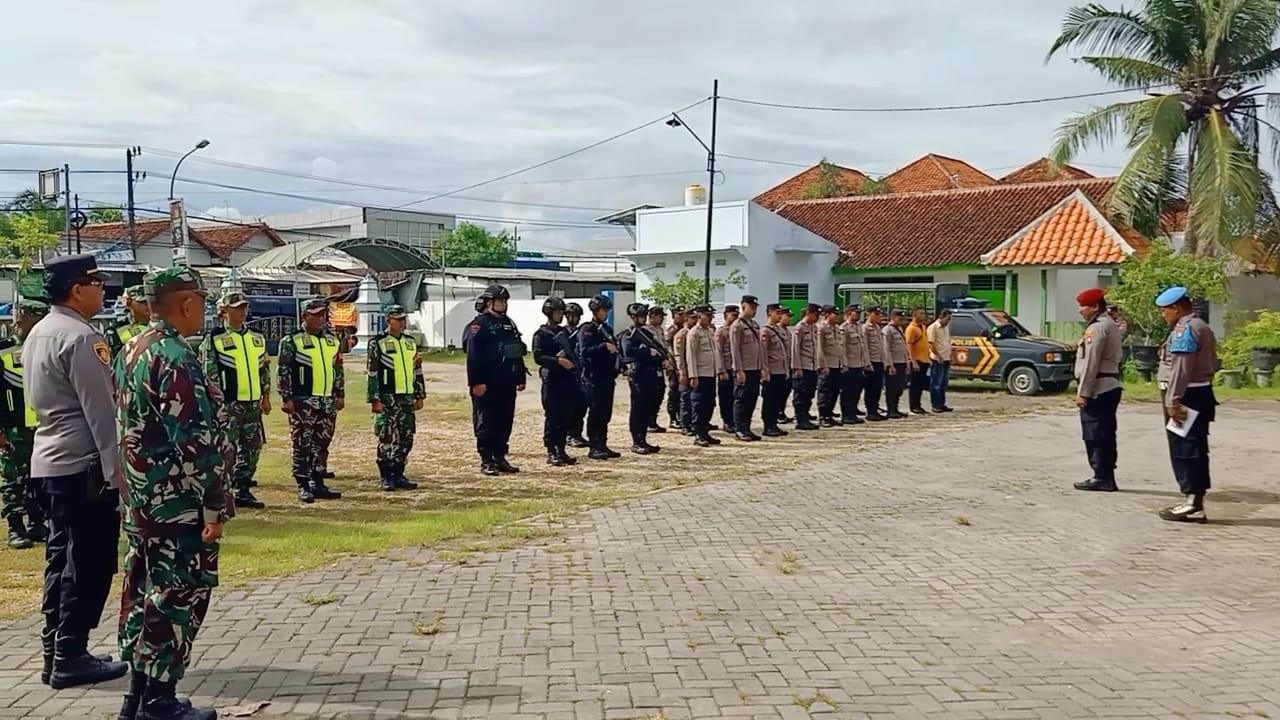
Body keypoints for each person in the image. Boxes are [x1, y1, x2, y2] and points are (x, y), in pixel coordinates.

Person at [115, 265, 230, 720]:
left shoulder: (132, 347)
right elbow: (195, 441)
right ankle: (159, 703)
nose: (205, 310)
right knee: (177, 594)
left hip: (142, 500)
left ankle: (138, 697)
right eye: (203, 301)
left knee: (145, 594)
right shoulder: (174, 356)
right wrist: (214, 504)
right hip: (177, 504)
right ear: (186, 303)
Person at [23, 254, 127, 689]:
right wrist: (116, 472)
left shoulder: (39, 332)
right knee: (89, 563)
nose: (103, 289)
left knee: (61, 560)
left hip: (49, 458)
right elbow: (101, 412)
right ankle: (70, 654)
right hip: (83, 465)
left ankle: (58, 650)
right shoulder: (82, 337)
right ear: (76, 289)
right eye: (98, 282)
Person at [199, 292, 270, 509]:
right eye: (237, 308)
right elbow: (209, 374)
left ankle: (243, 488)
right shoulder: (215, 338)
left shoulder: (256, 338)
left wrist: (265, 396)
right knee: (226, 449)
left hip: (252, 403)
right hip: (229, 404)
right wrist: (216, 404)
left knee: (253, 447)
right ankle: (222, 492)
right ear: (224, 311)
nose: (242, 312)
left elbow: (263, 369)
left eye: (244, 308)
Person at [1154, 286, 1218, 523]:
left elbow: (1181, 370)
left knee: (1186, 449)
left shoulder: (1185, 329)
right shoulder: (1200, 326)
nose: (1163, 315)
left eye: (1164, 311)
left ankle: (1192, 502)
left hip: (1187, 396)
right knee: (1192, 447)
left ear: (1176, 308)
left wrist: (1172, 400)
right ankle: (1193, 500)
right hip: (1197, 394)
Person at [277, 299, 344, 503]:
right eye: (315, 314)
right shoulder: (292, 341)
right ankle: (303, 483)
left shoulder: (332, 340)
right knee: (302, 443)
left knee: (322, 443)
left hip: (326, 401)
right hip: (303, 402)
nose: (320, 318)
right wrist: (286, 397)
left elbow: (337, 369)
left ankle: (318, 480)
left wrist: (340, 393)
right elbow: (284, 371)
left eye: (322, 314)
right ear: (304, 316)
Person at [464, 284, 529, 475]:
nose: (504, 304)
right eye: (500, 301)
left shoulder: (509, 323)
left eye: (505, 301)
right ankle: (487, 459)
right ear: (489, 302)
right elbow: (473, 357)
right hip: (487, 383)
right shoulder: (479, 325)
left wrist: (520, 376)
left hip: (506, 381)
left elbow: (516, 351)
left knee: (504, 420)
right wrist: (476, 382)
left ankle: (500, 456)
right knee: (487, 421)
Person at [1, 299, 50, 549]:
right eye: (18, 317)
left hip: (45, 427)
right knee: (13, 479)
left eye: (25, 317)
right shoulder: (4, 351)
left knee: (40, 478)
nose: (18, 322)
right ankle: (15, 527)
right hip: (14, 429)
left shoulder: (49, 349)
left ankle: (37, 522)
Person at [367, 304, 425, 491]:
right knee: (387, 437)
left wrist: (419, 394)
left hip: (406, 397)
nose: (401, 322)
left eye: (403, 319)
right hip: (387, 397)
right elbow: (373, 373)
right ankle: (386, 476)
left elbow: (417, 370)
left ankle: (398, 473)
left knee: (406, 437)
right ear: (388, 320)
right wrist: (374, 399)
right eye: (397, 319)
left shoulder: (410, 342)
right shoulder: (378, 343)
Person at [1072, 288, 1124, 493]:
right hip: (1106, 386)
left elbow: (1091, 363)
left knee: (1096, 434)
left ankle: (1102, 476)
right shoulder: (1106, 324)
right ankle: (1104, 475)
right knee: (1104, 433)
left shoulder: (1098, 328)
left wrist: (1083, 392)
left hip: (1099, 388)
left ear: (1095, 307)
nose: (1080, 310)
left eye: (1083, 306)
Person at [531, 297, 579, 466]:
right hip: (552, 378)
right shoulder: (541, 334)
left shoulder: (564, 332)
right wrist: (557, 360)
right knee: (553, 416)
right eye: (558, 312)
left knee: (565, 416)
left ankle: (561, 449)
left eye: (561, 312)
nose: (560, 315)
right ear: (549, 313)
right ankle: (551, 451)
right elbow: (538, 357)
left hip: (566, 379)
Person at [576, 295, 622, 460]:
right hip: (593, 377)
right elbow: (584, 352)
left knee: (605, 413)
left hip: (607, 377)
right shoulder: (588, 329)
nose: (606, 313)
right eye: (603, 310)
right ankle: (594, 445)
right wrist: (603, 347)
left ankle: (602, 443)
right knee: (596, 413)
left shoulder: (606, 329)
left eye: (607, 310)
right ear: (595, 311)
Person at [620, 302, 664, 455]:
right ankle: (636, 440)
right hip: (638, 374)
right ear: (633, 317)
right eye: (640, 316)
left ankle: (643, 438)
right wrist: (647, 353)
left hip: (650, 374)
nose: (643, 318)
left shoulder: (647, 333)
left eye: (644, 315)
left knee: (647, 408)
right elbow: (628, 352)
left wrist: (659, 357)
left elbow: (658, 350)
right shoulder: (628, 334)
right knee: (638, 408)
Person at [684, 305, 722, 447]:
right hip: (700, 374)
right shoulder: (694, 333)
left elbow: (714, 352)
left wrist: (719, 370)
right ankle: (698, 433)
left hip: (711, 373)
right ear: (699, 316)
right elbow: (691, 355)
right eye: (708, 315)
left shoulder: (710, 331)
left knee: (709, 403)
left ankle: (705, 431)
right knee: (699, 404)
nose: (711, 318)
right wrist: (693, 375)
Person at [729, 295, 765, 441]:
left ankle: (747, 427)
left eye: (756, 307)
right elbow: (735, 349)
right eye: (752, 307)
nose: (755, 310)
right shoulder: (737, 326)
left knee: (751, 399)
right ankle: (740, 429)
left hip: (754, 368)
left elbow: (760, 348)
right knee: (741, 399)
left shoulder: (755, 325)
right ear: (743, 307)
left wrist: (762, 366)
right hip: (744, 369)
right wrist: (738, 369)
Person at [759, 304, 791, 437]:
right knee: (770, 400)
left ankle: (774, 424)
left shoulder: (780, 330)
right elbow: (763, 353)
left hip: (781, 371)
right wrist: (765, 371)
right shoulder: (765, 331)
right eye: (777, 313)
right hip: (771, 372)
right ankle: (768, 426)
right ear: (770, 313)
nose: (779, 315)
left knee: (778, 399)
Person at [790, 303, 822, 431]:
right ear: (808, 313)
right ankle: (800, 419)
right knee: (801, 394)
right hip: (802, 366)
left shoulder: (813, 327)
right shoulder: (800, 328)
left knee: (809, 393)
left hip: (812, 366)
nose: (817, 317)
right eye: (815, 315)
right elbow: (795, 349)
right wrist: (796, 367)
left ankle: (806, 416)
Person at [563, 302, 590, 448]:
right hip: (568, 372)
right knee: (570, 406)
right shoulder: (563, 333)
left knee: (581, 405)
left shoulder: (582, 331)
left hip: (581, 371)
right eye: (571, 316)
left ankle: (577, 433)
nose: (574, 319)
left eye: (576, 316)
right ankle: (570, 434)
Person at [838, 305, 869, 426]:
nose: (858, 314)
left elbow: (863, 347)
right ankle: (846, 415)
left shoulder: (858, 327)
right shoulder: (844, 328)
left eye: (859, 312)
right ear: (849, 313)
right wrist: (844, 364)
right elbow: (843, 348)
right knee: (848, 392)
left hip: (858, 364)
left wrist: (866, 362)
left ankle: (853, 413)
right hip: (849, 365)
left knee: (856, 391)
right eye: (856, 312)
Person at [814, 305, 843, 427]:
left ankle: (829, 414)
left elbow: (839, 347)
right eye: (834, 314)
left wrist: (842, 362)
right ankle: (823, 416)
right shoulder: (821, 328)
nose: (836, 316)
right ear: (826, 315)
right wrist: (822, 365)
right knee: (824, 391)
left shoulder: (836, 328)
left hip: (836, 364)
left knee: (834, 391)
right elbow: (819, 348)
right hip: (827, 365)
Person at [105, 285, 150, 359]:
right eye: (143, 302)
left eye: (150, 301)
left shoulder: (164, 325)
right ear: (128, 303)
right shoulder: (116, 330)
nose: (148, 305)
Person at [645, 306, 670, 434]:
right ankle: (648, 421)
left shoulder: (659, 330)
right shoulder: (645, 330)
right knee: (651, 395)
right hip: (650, 366)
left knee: (660, 392)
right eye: (660, 316)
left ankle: (653, 420)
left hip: (660, 366)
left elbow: (664, 347)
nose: (661, 319)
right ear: (652, 316)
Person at [882, 310, 911, 419]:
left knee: (900, 387)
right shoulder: (887, 330)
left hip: (901, 362)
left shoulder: (899, 329)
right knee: (892, 388)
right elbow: (886, 348)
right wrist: (890, 364)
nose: (901, 321)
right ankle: (891, 409)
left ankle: (896, 408)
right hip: (893, 363)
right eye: (899, 319)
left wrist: (907, 361)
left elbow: (903, 348)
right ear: (893, 318)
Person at [714, 305, 739, 431]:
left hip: (736, 368)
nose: (736, 317)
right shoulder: (721, 331)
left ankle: (735, 420)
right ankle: (727, 421)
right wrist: (721, 370)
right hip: (726, 368)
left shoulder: (737, 330)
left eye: (737, 315)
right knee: (726, 397)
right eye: (733, 315)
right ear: (725, 316)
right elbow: (718, 352)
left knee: (736, 396)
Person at [904, 308, 932, 414]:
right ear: (914, 315)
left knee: (920, 384)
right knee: (915, 384)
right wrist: (912, 360)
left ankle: (918, 404)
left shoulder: (923, 327)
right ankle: (913, 405)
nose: (923, 315)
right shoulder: (912, 329)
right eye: (921, 313)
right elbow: (909, 344)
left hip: (924, 359)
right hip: (917, 360)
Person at [862, 307, 887, 421]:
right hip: (871, 361)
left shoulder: (878, 327)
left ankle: (875, 409)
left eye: (879, 314)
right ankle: (870, 411)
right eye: (876, 314)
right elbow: (865, 347)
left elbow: (881, 347)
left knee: (878, 387)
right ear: (869, 314)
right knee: (871, 388)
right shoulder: (865, 328)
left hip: (879, 361)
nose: (879, 316)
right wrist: (867, 362)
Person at [926, 310, 954, 413]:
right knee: (936, 383)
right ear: (942, 317)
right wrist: (938, 356)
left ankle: (941, 404)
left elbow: (946, 342)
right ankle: (935, 404)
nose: (948, 321)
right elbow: (931, 343)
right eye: (947, 319)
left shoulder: (946, 328)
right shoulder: (933, 327)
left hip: (946, 358)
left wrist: (950, 355)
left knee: (943, 383)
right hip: (938, 359)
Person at [662, 306, 685, 430]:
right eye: (679, 315)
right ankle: (673, 418)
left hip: (680, 365)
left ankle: (681, 416)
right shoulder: (672, 330)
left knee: (682, 392)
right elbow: (668, 349)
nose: (681, 317)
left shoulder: (684, 329)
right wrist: (674, 364)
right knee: (674, 391)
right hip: (672, 366)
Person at [672, 312, 695, 436]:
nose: (695, 320)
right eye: (693, 318)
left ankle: (693, 422)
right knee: (686, 399)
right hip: (685, 370)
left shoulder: (695, 332)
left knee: (694, 399)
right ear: (686, 319)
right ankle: (685, 425)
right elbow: (679, 356)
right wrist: (682, 372)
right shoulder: (682, 334)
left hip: (694, 371)